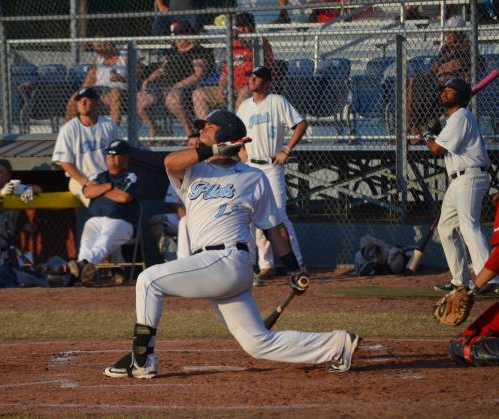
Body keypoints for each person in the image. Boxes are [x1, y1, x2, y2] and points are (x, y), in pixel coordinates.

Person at [103, 109, 361, 379]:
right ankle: (337, 344)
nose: (201, 130)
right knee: (258, 343)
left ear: (225, 134)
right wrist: (212, 147)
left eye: (208, 126)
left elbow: (274, 228)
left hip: (229, 260)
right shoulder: (193, 169)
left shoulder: (253, 177)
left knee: (148, 280)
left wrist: (295, 269)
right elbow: (170, 163)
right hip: (214, 267)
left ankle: (142, 359)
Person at [424, 78, 498, 293]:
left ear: (462, 96)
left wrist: (428, 135)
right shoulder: (454, 119)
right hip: (458, 180)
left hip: (471, 176)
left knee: (468, 225)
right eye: (443, 90)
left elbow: (437, 149)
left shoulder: (462, 116)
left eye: (450, 90)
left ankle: (490, 280)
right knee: (446, 228)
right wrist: (435, 133)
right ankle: (460, 280)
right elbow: (443, 144)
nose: (444, 93)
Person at [236, 66, 308, 283]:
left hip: (271, 165)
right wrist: (240, 149)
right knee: (253, 216)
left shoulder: (277, 101)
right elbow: (238, 133)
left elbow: (301, 123)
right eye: (251, 77)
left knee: (278, 215)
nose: (252, 80)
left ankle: (298, 263)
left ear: (267, 82)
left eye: (257, 77)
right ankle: (265, 265)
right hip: (251, 167)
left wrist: (286, 149)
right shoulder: (244, 106)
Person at [70, 140, 140, 286]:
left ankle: (81, 267)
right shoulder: (99, 176)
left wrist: (100, 190)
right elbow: (88, 192)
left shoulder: (131, 176)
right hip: (95, 220)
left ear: (126, 157)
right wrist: (110, 186)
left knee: (103, 241)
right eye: (109, 153)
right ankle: (83, 272)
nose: (111, 156)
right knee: (86, 244)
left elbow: (124, 196)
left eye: (116, 153)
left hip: (121, 222)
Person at [138, 20, 215, 137]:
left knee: (172, 99)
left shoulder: (198, 50)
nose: (177, 38)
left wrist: (178, 85)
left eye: (180, 34)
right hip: (163, 86)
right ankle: (153, 128)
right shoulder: (173, 50)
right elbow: (162, 69)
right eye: (175, 35)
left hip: (186, 88)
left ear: (189, 34)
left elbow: (198, 75)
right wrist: (148, 80)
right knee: (140, 100)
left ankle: (189, 131)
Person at [192, 12, 274, 120]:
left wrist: (244, 40)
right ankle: (207, 130)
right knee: (198, 94)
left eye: (245, 26)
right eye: (239, 26)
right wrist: (222, 88)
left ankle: (236, 130)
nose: (242, 29)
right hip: (231, 89)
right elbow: (225, 74)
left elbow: (264, 72)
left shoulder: (260, 42)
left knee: (245, 91)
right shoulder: (234, 44)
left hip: (252, 88)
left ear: (253, 26)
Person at [407, 16, 476, 136]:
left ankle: (419, 128)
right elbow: (434, 68)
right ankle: (413, 126)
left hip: (453, 83)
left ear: (460, 34)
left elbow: (475, 66)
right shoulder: (445, 48)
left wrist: (454, 68)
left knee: (428, 88)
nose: (447, 36)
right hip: (437, 80)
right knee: (414, 81)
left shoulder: (468, 48)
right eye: (447, 32)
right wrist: (437, 70)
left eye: (451, 33)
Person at [53, 87, 122, 206]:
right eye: (79, 100)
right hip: (80, 180)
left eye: (87, 99)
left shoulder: (109, 126)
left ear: (96, 102)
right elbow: (65, 162)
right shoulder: (69, 129)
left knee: (123, 199)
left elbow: (121, 153)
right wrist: (86, 182)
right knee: (101, 202)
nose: (83, 103)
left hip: (107, 178)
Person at [148, 132, 199, 261]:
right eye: (191, 144)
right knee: (157, 221)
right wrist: (180, 210)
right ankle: (170, 259)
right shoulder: (180, 168)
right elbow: (172, 201)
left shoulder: (207, 168)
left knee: (184, 222)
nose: (194, 147)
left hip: (201, 217)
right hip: (183, 215)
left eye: (198, 144)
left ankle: (183, 262)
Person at [64, 35, 130, 125]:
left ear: (108, 45)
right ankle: (68, 131)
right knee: (74, 99)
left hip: (119, 90)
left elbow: (138, 75)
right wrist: (80, 92)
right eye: (95, 48)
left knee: (116, 94)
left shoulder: (124, 56)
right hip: (98, 90)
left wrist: (120, 78)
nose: (96, 51)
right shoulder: (98, 59)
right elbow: (90, 79)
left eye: (98, 47)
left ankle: (112, 132)